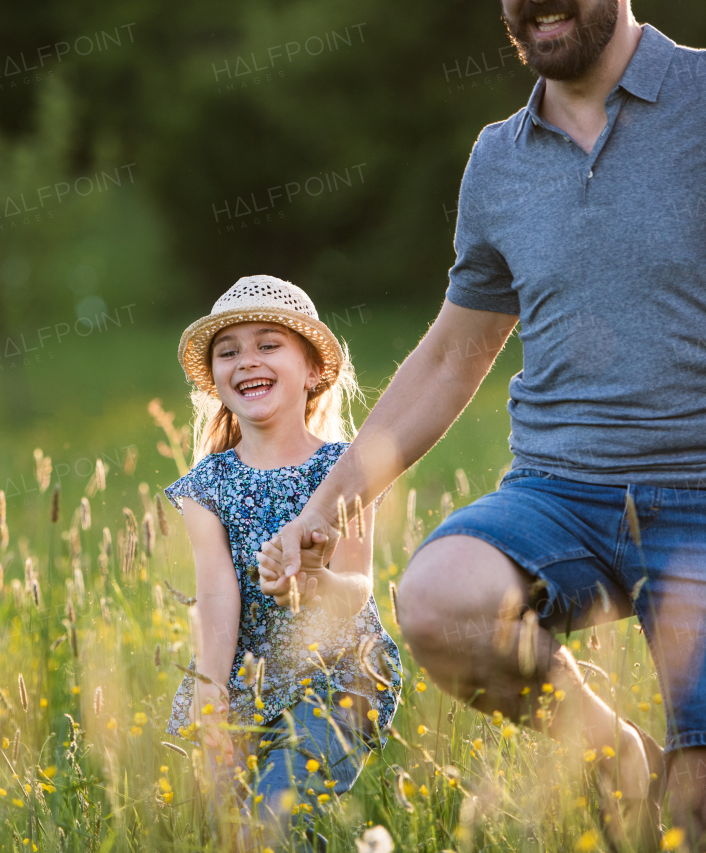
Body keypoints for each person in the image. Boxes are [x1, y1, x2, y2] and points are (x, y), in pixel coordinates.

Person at [270, 2, 706, 852]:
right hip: (559, 496)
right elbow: (449, 358)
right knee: (438, 599)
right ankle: (621, 764)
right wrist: (325, 506)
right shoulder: (497, 160)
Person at [162, 275, 403, 851]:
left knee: (272, 824)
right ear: (216, 380)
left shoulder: (347, 469)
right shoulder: (207, 487)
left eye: (268, 344)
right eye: (229, 351)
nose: (247, 360)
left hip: (339, 678)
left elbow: (358, 592)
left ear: (314, 371)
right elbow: (217, 599)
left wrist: (314, 582)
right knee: (238, 836)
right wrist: (212, 698)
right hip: (249, 685)